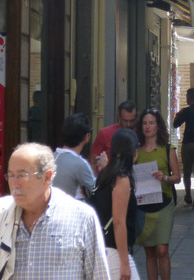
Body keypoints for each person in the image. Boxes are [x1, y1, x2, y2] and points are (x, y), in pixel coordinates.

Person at [0, 142, 110, 280]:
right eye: (11, 176)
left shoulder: (81, 217)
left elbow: (98, 274)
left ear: (47, 177)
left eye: (22, 176)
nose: (15, 184)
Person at [135, 108, 180, 280]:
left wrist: (165, 178)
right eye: (145, 123)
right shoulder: (136, 151)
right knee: (149, 251)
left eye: (151, 123)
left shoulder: (168, 149)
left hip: (164, 203)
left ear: (157, 126)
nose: (147, 127)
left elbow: (177, 177)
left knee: (162, 249)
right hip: (144, 204)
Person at [91, 128, 141, 280]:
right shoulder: (122, 178)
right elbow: (118, 222)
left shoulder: (106, 174)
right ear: (134, 153)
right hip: (114, 252)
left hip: (103, 246)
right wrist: (124, 263)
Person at [54, 112, 96, 199]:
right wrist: (104, 170)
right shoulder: (80, 164)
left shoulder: (50, 157)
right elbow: (95, 190)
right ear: (87, 136)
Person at [92, 101, 138, 172]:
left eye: (132, 121)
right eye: (125, 121)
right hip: (108, 178)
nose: (128, 124)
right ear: (119, 117)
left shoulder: (139, 132)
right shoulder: (104, 133)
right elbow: (92, 161)